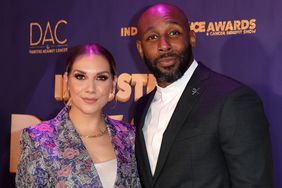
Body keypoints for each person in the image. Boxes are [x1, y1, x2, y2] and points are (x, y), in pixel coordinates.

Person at [134, 3, 273, 188]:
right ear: (140, 48)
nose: (164, 45)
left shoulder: (231, 99)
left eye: (174, 33)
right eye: (152, 37)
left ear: (191, 37)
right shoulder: (141, 107)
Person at [16, 44, 141, 187]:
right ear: (66, 81)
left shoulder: (129, 137)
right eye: (80, 76)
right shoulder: (38, 140)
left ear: (113, 84)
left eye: (101, 78)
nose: (90, 89)